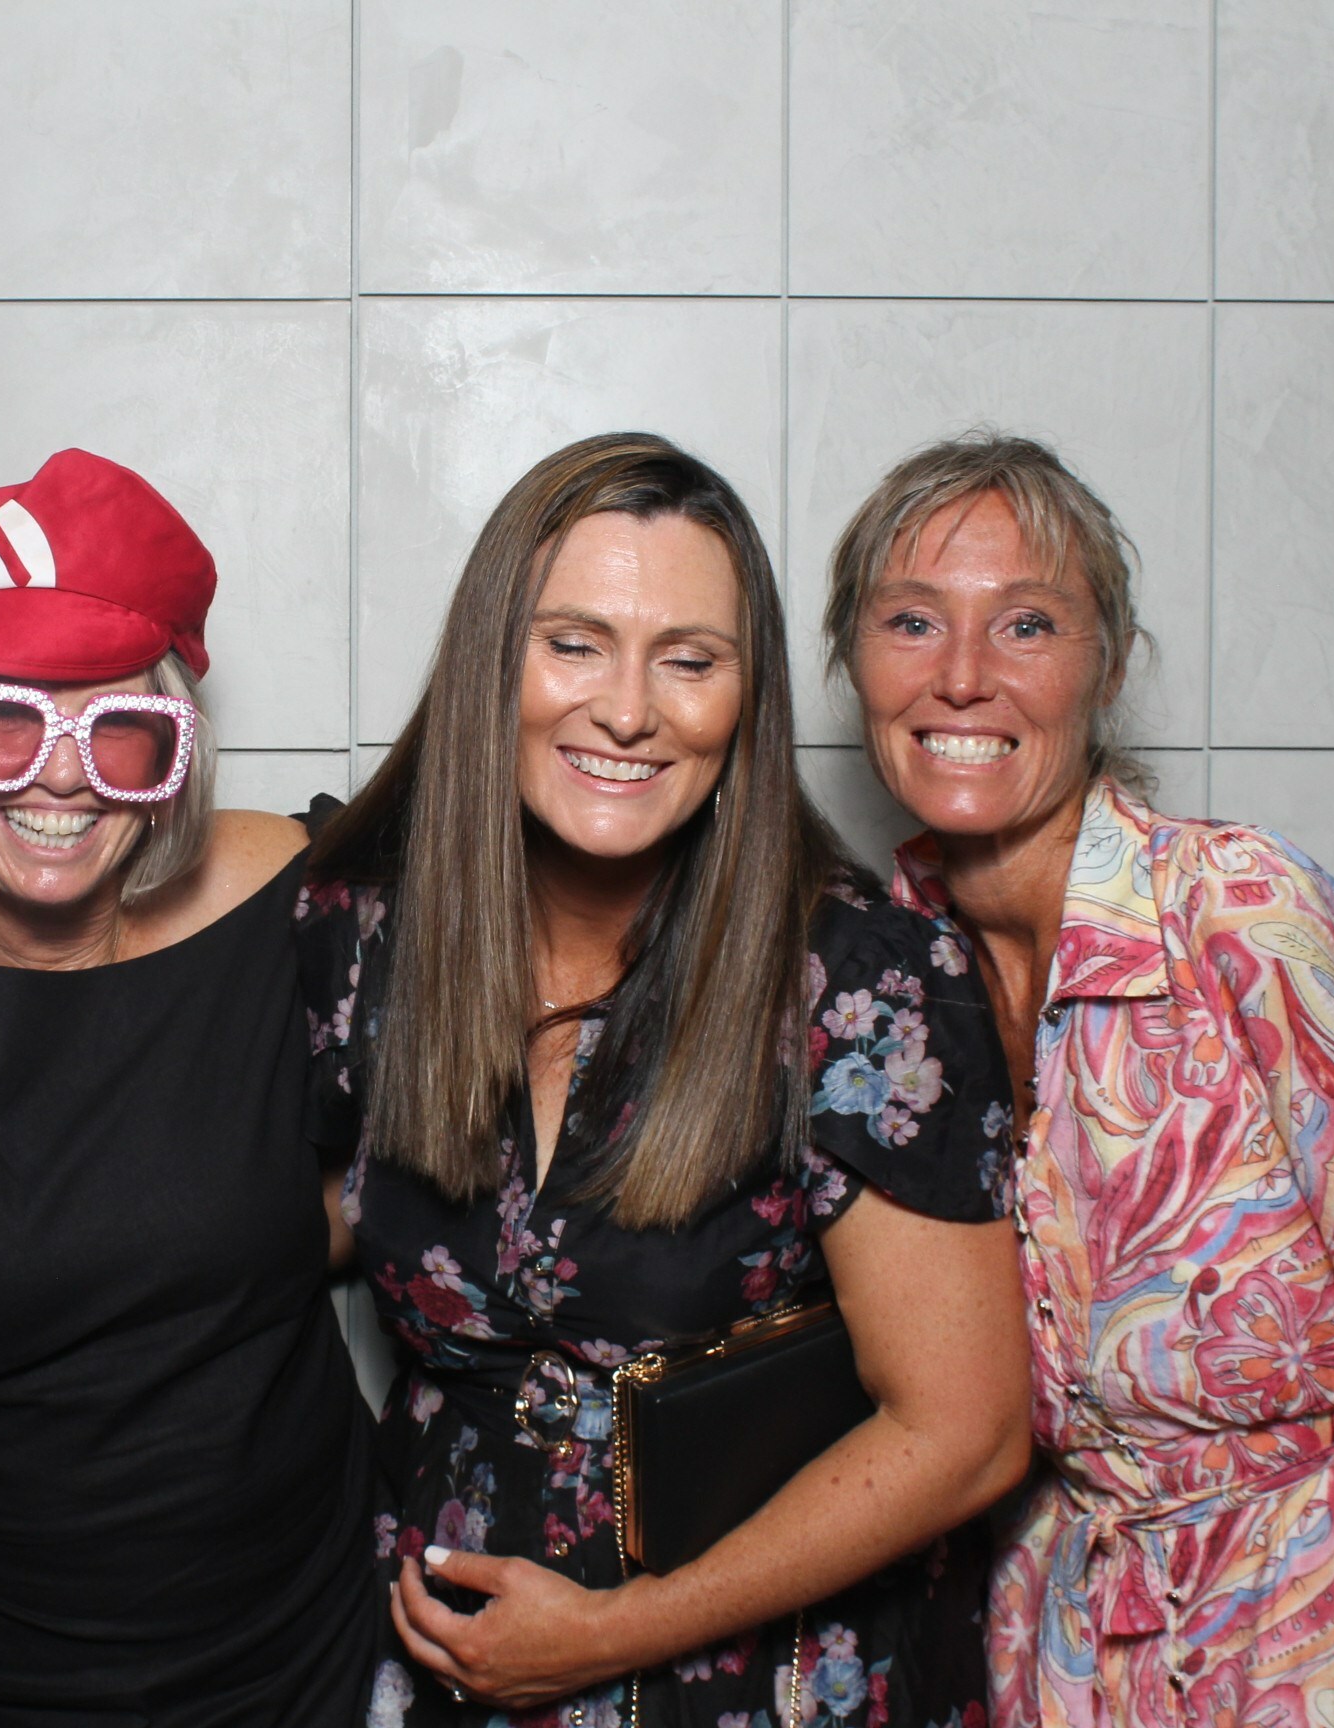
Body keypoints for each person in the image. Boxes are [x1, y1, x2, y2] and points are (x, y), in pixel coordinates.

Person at [824, 430, 1334, 1728]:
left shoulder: (1241, 914)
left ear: (1109, 666)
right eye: (912, 620)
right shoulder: (881, 989)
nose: (965, 675)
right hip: (1072, 1656)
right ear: (852, 660)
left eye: (1028, 624)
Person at [299, 431, 1032, 1728]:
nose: (629, 710)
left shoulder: (861, 981)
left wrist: (610, 1635)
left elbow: (964, 1435)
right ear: (490, 663)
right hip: (440, 1673)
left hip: (756, 1683)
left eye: (690, 660)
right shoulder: (367, 941)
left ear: (747, 698)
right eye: (574, 644)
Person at [0, 448, 376, 1724]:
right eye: (2, 723)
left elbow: (428, 1168)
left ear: (174, 757)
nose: (61, 776)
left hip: (309, 1651)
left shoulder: (294, 896)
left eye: (119, 730)